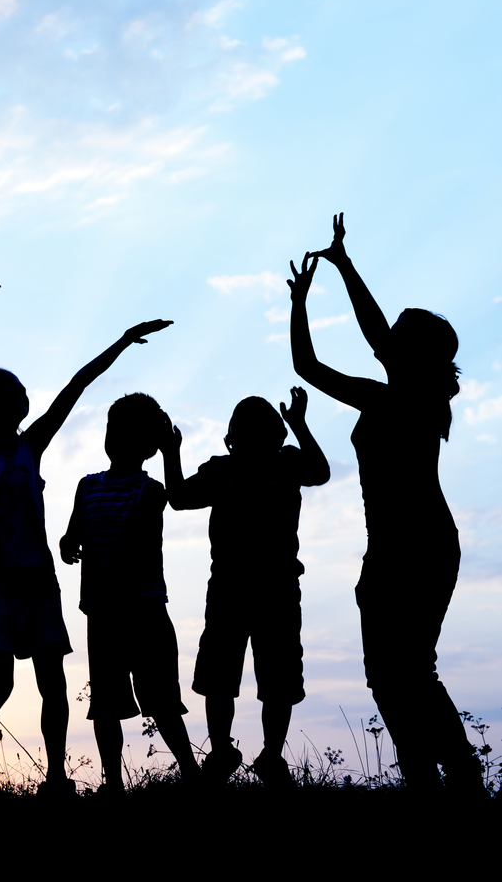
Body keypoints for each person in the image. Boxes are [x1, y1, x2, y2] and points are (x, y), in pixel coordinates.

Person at [0, 268, 171, 800]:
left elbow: (76, 386)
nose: (22, 397)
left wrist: (122, 341)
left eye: (22, 392)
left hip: (39, 582)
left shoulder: (31, 445)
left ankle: (58, 777)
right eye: (12, 390)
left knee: (54, 685)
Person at [288, 213, 481, 791]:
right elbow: (306, 365)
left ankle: (461, 774)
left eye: (398, 337)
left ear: (414, 356)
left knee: (411, 672)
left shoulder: (413, 403)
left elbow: (372, 338)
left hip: (421, 548)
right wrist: (303, 299)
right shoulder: (387, 396)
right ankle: (423, 775)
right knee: (387, 676)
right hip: (389, 551)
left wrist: (344, 268)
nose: (385, 340)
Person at [168, 389, 329, 788]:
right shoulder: (223, 469)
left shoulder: (286, 462)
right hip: (233, 588)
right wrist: (171, 452)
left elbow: (321, 472)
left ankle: (267, 755)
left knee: (275, 677)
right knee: (227, 676)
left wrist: (300, 427)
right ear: (235, 438)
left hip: (271, 588)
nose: (254, 439)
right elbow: (179, 499)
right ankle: (229, 751)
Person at [59, 393, 199, 794]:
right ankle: (113, 782)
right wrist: (68, 543)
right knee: (106, 704)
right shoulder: (87, 487)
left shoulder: (150, 490)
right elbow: (74, 532)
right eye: (111, 428)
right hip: (102, 613)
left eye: (126, 431)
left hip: (144, 610)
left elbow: (169, 501)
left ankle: (191, 772)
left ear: (148, 446)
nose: (115, 437)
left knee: (161, 700)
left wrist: (172, 452)